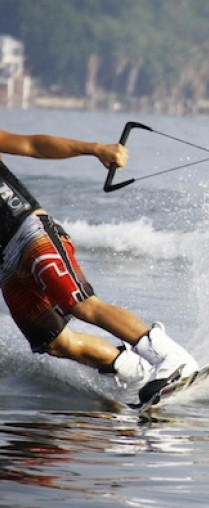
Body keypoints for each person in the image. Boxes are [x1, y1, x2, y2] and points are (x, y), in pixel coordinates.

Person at [0, 128, 198, 406]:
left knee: (80, 304)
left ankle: (172, 357)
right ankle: (136, 374)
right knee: (56, 344)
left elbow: (32, 145)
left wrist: (95, 149)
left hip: (27, 232)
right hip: (5, 267)